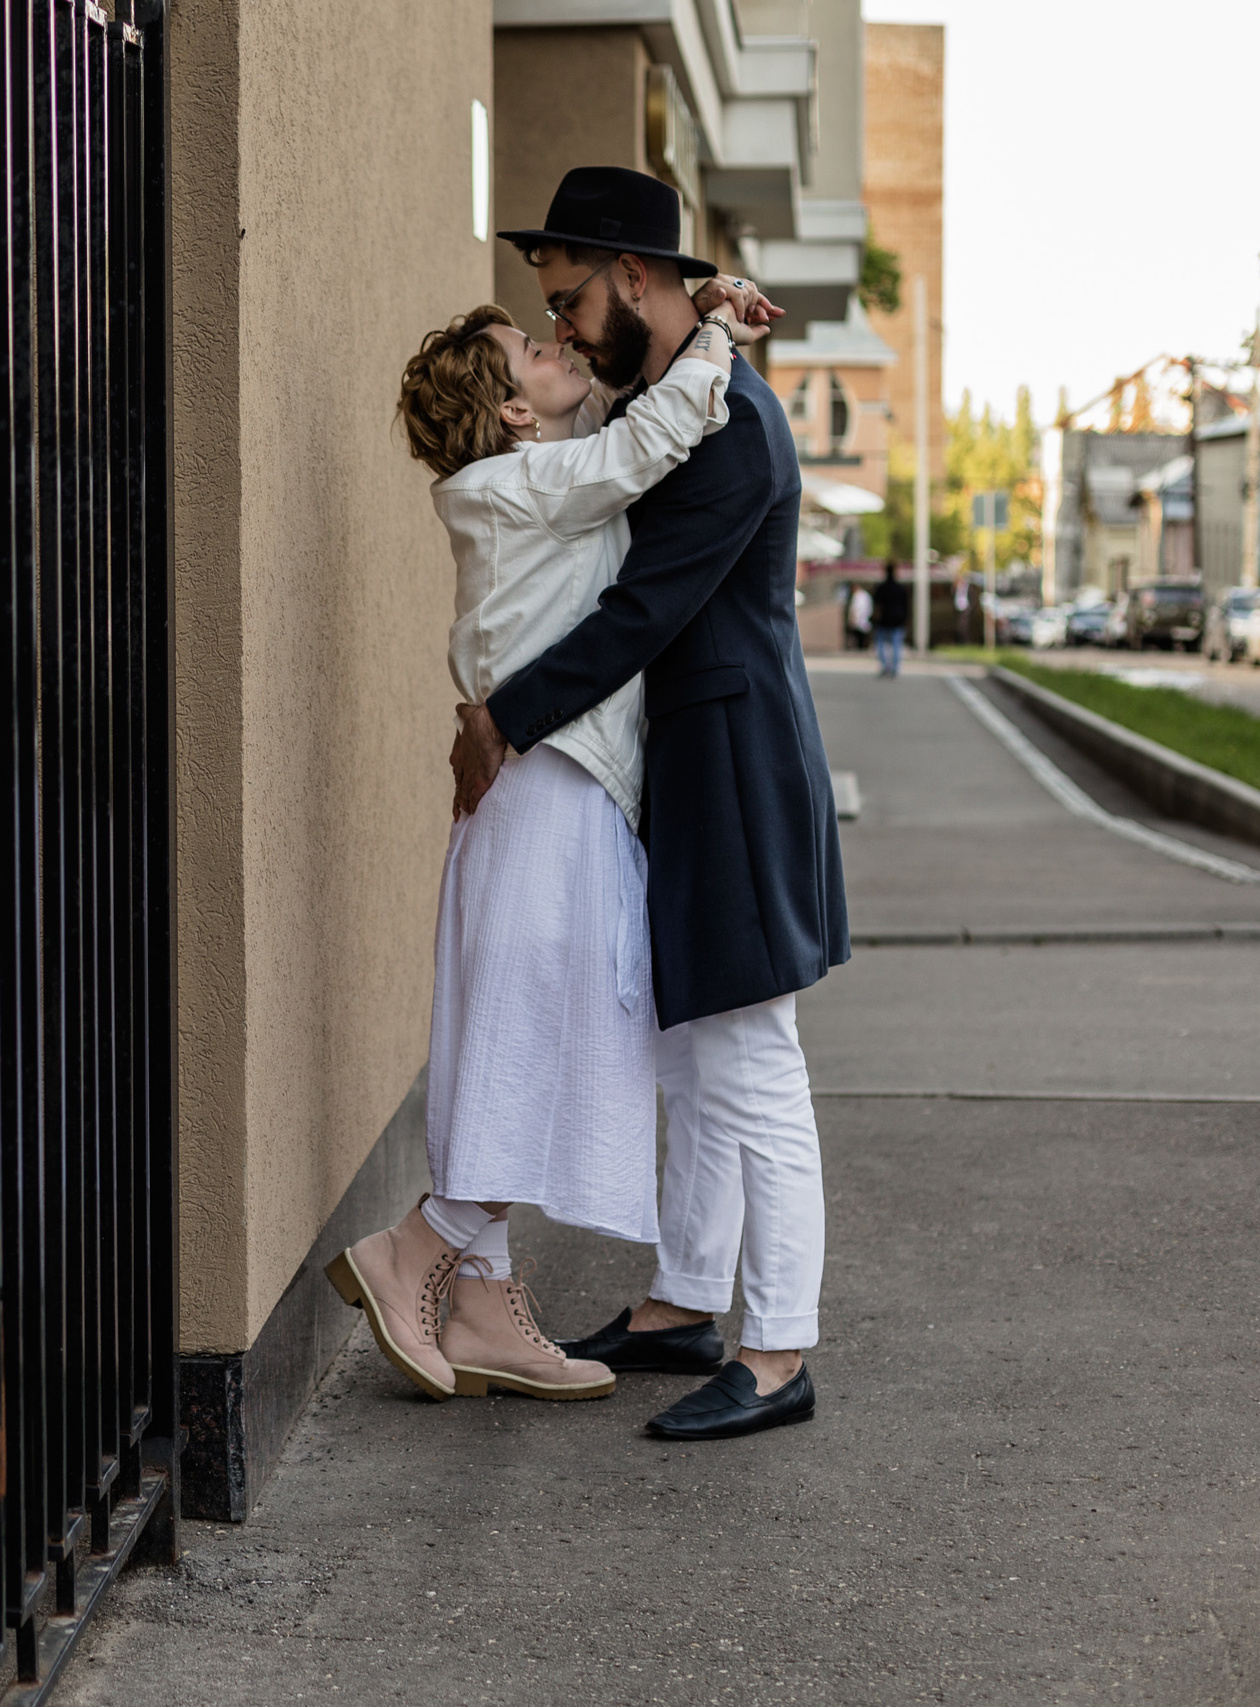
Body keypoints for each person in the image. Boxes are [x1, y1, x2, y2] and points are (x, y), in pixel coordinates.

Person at [327, 271, 776, 1406]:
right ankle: (415, 1251)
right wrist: (714, 329)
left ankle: (484, 1308)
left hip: (544, 790)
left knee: (512, 1035)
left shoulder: (528, 479)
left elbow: (625, 431)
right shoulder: (522, 484)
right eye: (530, 348)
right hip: (552, 794)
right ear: (515, 412)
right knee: (544, 1033)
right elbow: (651, 442)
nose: (555, 342)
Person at [452, 165, 851, 1442]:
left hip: (731, 767)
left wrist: (502, 715)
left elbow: (644, 610)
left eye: (569, 300)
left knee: (749, 1064)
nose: (562, 329)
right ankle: (682, 1306)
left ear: (633, 277)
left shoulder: (727, 423)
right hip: (685, 768)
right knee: (690, 1055)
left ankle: (777, 1353)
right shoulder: (674, 392)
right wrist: (715, 304)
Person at [872, 560, 911, 676]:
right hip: (897, 620)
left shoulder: (881, 587)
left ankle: (885, 666)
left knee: (881, 645)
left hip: (884, 620)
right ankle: (894, 668)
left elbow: (877, 605)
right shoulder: (900, 588)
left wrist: (875, 618)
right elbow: (906, 606)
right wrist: (906, 619)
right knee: (896, 645)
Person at [846, 581, 874, 651]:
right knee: (863, 637)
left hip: (859, 620)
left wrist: (852, 619)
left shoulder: (857, 596)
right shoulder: (866, 595)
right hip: (865, 619)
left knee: (859, 638)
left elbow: (855, 609)